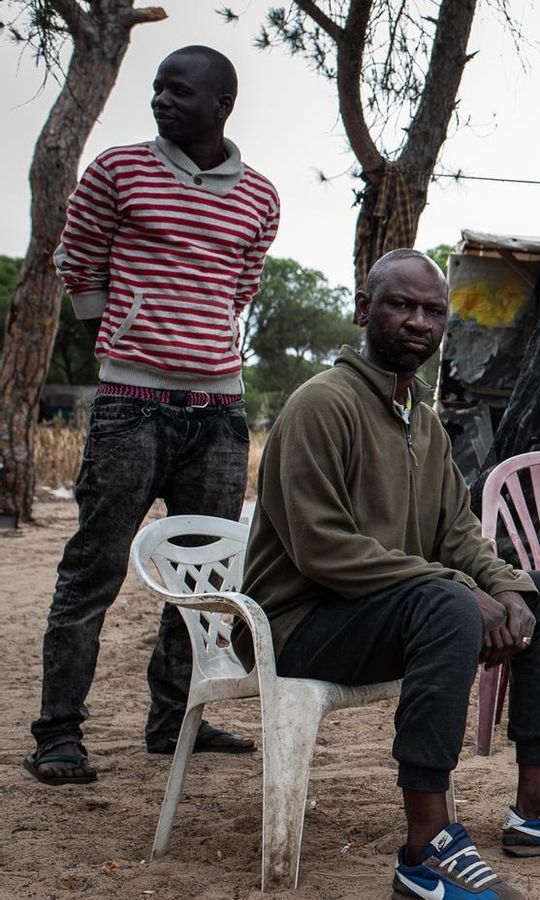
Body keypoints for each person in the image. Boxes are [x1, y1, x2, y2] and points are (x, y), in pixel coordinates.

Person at [244, 250, 540, 900]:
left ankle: (538, 806)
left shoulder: (422, 424)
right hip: (298, 623)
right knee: (448, 604)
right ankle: (425, 849)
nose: (418, 322)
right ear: (363, 310)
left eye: (433, 310)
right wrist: (459, 590)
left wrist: (506, 588)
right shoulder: (322, 404)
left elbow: (458, 534)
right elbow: (322, 549)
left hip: (379, 611)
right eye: (401, 305)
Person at [27, 46, 279, 786]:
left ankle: (175, 721)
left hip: (219, 411)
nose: (161, 99)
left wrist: (198, 343)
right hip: (130, 407)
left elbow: (242, 284)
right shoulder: (118, 170)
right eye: (157, 88)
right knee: (94, 567)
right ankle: (58, 734)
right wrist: (123, 342)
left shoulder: (260, 196)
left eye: (179, 90)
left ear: (221, 104)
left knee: (205, 576)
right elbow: (78, 260)